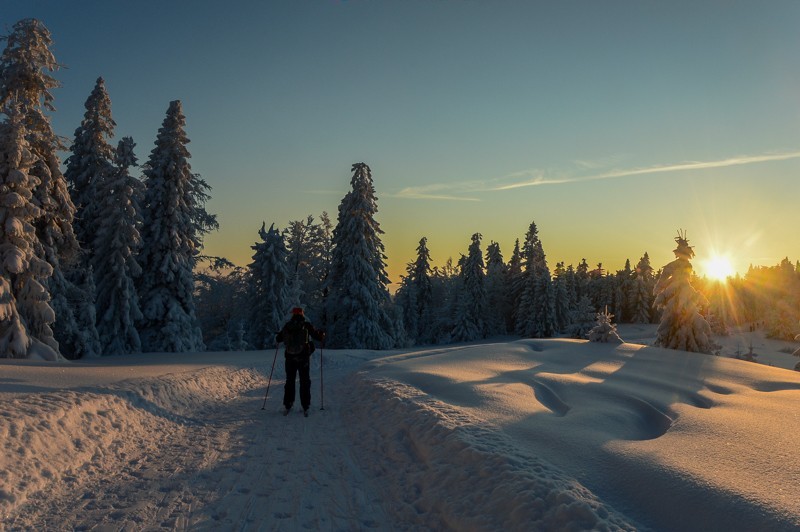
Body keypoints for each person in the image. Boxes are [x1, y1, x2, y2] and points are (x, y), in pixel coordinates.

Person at [275, 307, 325, 416]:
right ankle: (305, 405)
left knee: (290, 381)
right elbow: (317, 337)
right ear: (302, 314)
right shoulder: (306, 325)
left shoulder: (287, 325)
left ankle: (288, 404)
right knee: (304, 381)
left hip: (290, 358)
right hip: (303, 358)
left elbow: (278, 339)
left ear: (293, 314)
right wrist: (322, 335)